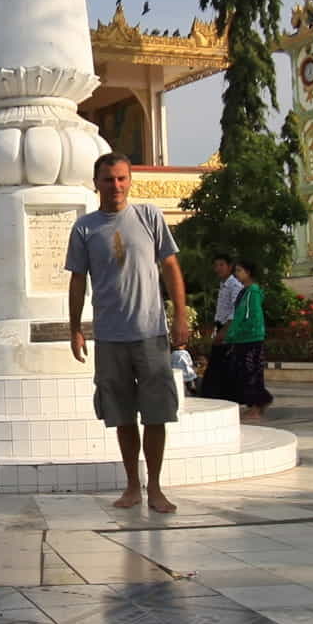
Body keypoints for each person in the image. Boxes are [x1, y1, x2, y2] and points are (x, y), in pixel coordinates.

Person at [67, 153, 190, 513]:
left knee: (156, 413)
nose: (116, 186)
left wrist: (180, 315)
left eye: (121, 178)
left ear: (130, 181)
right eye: (108, 179)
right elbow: (77, 281)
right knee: (121, 415)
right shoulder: (84, 228)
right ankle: (132, 485)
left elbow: (170, 265)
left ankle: (155, 487)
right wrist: (75, 328)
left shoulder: (149, 216)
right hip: (109, 336)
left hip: (150, 331)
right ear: (96, 183)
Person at [224, 260, 272, 420]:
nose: (236, 274)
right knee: (245, 372)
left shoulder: (252, 291)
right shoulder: (245, 291)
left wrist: (236, 333)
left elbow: (250, 316)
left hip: (250, 338)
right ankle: (257, 403)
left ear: (248, 272)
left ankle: (257, 406)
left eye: (239, 270)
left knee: (251, 372)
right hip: (242, 338)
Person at [197, 257, 243, 401]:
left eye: (222, 265)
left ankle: (225, 396)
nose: (218, 268)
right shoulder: (223, 286)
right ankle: (216, 395)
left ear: (230, 267)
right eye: (216, 265)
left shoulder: (235, 286)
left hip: (229, 329)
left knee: (223, 364)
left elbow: (236, 311)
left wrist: (224, 331)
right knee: (218, 364)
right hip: (221, 327)